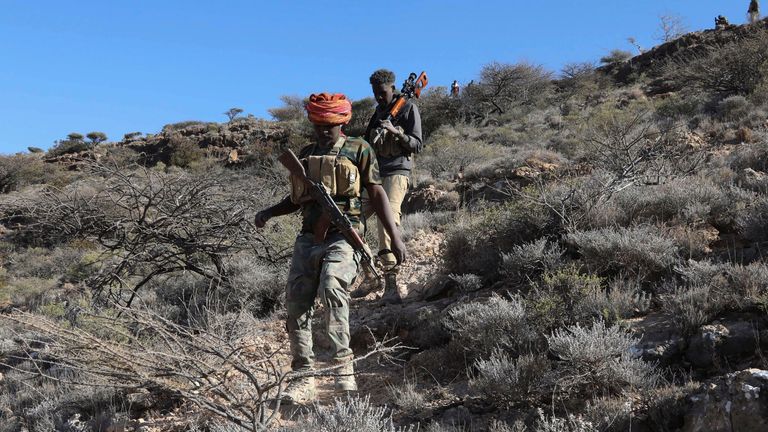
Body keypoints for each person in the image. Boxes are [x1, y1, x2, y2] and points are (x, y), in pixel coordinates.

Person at [254, 93, 407, 404]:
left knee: (332, 287)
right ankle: (303, 377)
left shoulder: (359, 149)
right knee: (297, 304)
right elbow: (296, 199)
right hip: (308, 237)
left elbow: (376, 193)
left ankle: (342, 372)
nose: (324, 130)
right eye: (319, 124)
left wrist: (394, 235)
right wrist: (269, 212)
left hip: (344, 237)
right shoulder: (306, 154)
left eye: (331, 125)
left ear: (344, 122)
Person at [353, 69, 423, 304]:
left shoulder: (408, 108)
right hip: (374, 174)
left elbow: (416, 144)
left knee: (387, 221)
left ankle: (391, 286)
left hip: (396, 172)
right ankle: (370, 274)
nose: (379, 97)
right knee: (352, 219)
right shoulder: (378, 113)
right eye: (375, 94)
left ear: (392, 88)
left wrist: (396, 132)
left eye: (382, 93)